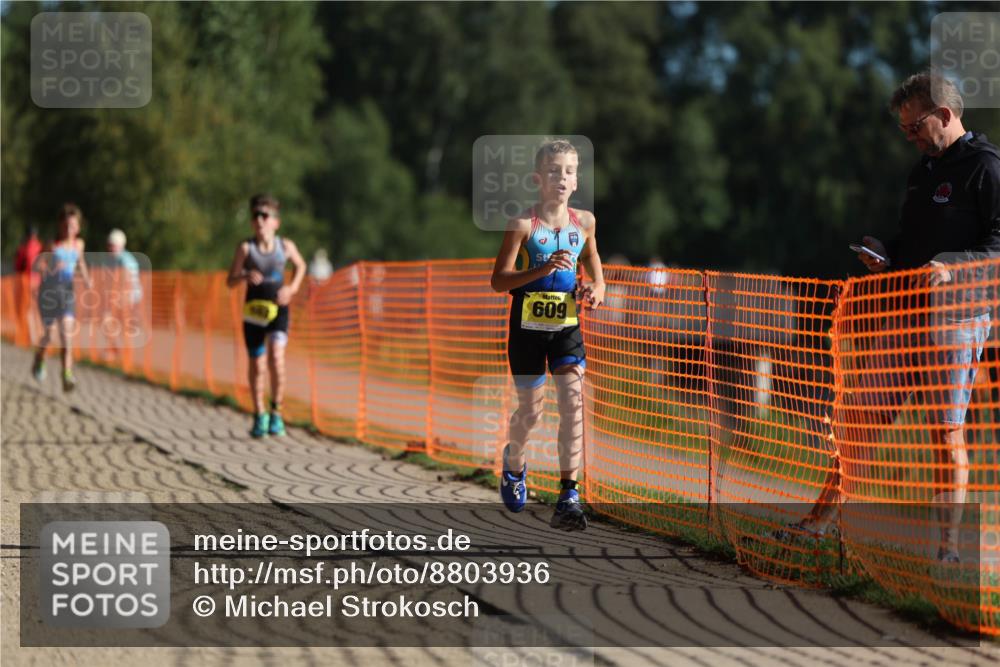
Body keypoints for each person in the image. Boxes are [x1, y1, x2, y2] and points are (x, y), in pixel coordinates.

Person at [787, 72, 1000, 563]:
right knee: (860, 419)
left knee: (945, 434)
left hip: (958, 319)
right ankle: (818, 524)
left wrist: (953, 267)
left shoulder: (986, 167)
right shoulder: (923, 170)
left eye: (915, 126)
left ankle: (948, 552)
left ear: (945, 115)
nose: (909, 137)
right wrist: (886, 252)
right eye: (904, 130)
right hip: (904, 316)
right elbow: (913, 245)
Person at [490, 139, 606, 531]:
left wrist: (598, 287)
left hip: (567, 326)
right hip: (526, 327)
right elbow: (498, 281)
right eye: (554, 171)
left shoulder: (584, 222)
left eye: (569, 171)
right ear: (538, 178)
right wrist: (539, 272)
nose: (562, 177)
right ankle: (514, 461)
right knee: (531, 412)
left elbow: (591, 256)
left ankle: (569, 495)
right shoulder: (523, 224)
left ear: (576, 181)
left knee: (573, 402)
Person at [226, 194, 307, 438]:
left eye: (265, 215)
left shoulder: (286, 246)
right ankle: (259, 414)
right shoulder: (245, 248)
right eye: (255, 216)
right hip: (253, 312)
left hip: (278, 310)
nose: (260, 220)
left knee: (277, 358)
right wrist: (243, 276)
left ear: (275, 222)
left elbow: (301, 266)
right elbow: (230, 280)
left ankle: (277, 413)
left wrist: (291, 289)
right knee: (257, 364)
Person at [31, 204, 92, 392]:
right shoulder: (52, 244)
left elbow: (80, 262)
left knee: (67, 335)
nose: (69, 229)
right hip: (49, 293)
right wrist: (46, 269)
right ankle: (39, 359)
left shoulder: (78, 245)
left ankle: (67, 374)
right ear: (60, 226)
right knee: (49, 334)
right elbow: (39, 264)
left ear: (78, 228)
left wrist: (87, 279)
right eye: (66, 226)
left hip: (67, 293)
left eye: (73, 226)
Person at [103, 228, 143, 354]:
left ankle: (121, 350)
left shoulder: (125, 260)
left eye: (112, 246)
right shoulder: (115, 259)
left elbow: (126, 283)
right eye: (109, 246)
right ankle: (116, 348)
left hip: (129, 297)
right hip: (123, 296)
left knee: (110, 320)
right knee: (110, 321)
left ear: (120, 245)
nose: (110, 249)